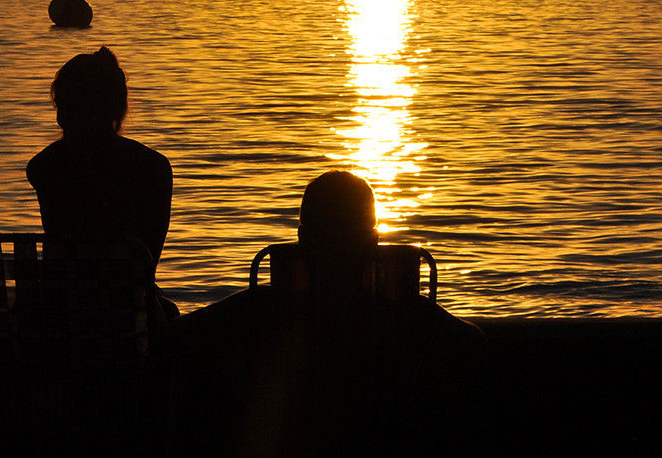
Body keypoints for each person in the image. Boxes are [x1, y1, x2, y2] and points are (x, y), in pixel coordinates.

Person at [171, 170, 484, 457]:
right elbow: (473, 343)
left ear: (302, 238)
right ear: (373, 241)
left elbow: (178, 336)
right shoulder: (405, 311)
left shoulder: (263, 307)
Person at [26, 46, 175, 316]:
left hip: (56, 314)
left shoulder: (44, 166)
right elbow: (146, 265)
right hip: (122, 317)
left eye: (61, 105)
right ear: (117, 106)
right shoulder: (154, 167)